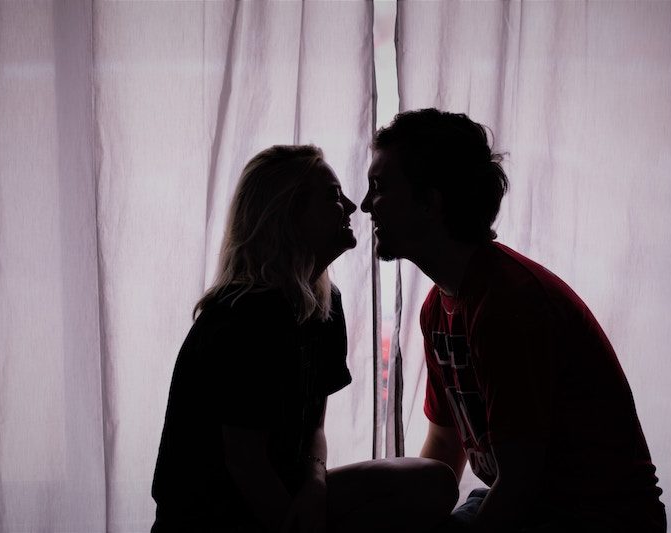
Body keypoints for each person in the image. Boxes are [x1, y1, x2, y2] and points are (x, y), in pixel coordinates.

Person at [360, 109, 666, 532]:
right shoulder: (438, 307)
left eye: (379, 188)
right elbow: (445, 448)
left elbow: (520, 485)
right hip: (532, 505)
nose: (363, 205)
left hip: (596, 517)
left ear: (430, 202)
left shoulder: (508, 304)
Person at [151, 145, 457, 532]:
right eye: (332, 196)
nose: (351, 206)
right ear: (287, 215)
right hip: (212, 514)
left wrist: (314, 485)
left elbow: (313, 427)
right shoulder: (244, 317)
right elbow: (245, 462)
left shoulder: (325, 304)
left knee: (433, 483)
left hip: (288, 490)